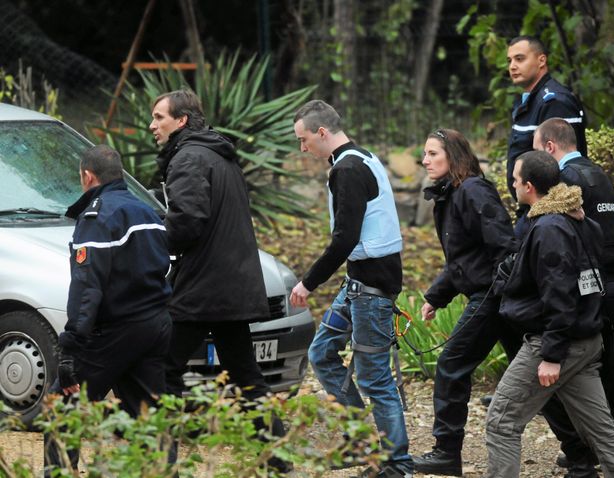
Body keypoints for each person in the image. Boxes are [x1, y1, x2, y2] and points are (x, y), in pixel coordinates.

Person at [149, 89, 288, 471]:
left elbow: (188, 220)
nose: (152, 125)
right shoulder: (216, 154)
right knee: (244, 372)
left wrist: (152, 237)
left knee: (165, 367)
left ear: (180, 121)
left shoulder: (189, 157)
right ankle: (277, 455)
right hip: (231, 281)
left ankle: (164, 458)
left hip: (203, 285)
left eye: (159, 117)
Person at [484, 151, 614, 478]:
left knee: (501, 421)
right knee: (603, 432)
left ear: (528, 186)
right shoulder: (577, 218)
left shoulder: (549, 228)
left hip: (557, 343)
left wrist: (552, 355)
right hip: (585, 341)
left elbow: (561, 295)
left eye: (514, 180)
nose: (511, 185)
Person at [289, 99, 412, 478]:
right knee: (322, 351)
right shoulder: (361, 156)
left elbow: (344, 239)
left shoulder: (348, 170)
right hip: (359, 280)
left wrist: (308, 283)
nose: (302, 147)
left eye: (304, 139)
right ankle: (358, 443)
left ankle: (398, 464)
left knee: (375, 377)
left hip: (372, 286)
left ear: (322, 132)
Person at [44, 145, 172, 475]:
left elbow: (88, 289)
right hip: (155, 325)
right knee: (150, 416)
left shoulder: (98, 217)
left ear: (88, 176)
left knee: (62, 408)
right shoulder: (146, 212)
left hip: (115, 331)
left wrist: (70, 351)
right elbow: (166, 266)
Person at [533, 118, 614, 476]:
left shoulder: (566, 180)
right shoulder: (599, 174)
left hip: (597, 287)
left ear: (550, 147)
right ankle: (609, 451)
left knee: (597, 376)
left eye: (538, 151)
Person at [411, 129, 519, 476]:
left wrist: (496, 294)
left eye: (432, 154)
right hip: (492, 296)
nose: (424, 160)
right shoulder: (452, 193)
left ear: (452, 156)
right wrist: (435, 297)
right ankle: (579, 452)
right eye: (425, 154)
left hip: (493, 297)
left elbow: (506, 246)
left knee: (451, 365)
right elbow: (464, 257)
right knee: (533, 375)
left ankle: (446, 452)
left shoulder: (472, 190)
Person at [506, 35, 587, 236]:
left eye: (520, 58)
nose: (512, 66)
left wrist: (551, 214)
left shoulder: (554, 102)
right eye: (509, 61)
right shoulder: (529, 101)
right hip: (533, 212)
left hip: (549, 218)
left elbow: (563, 164)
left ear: (541, 60)